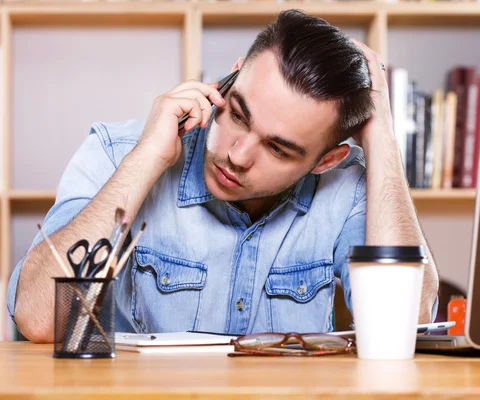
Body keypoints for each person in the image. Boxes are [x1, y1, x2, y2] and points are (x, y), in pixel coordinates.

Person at [7, 9, 439, 343]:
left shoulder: (347, 187)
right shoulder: (115, 153)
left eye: (277, 148)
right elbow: (42, 318)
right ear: (230, 77)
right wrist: (146, 161)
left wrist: (381, 136)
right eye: (236, 113)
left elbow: (405, 323)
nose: (236, 154)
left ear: (326, 160)